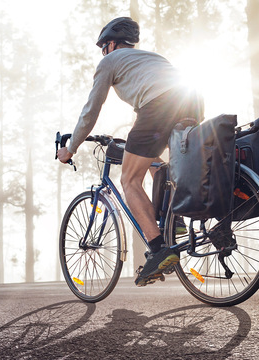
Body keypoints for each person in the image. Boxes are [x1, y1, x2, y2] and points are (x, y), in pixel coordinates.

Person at [57, 17, 204, 286]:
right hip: (192, 101)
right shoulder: (150, 58)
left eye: (104, 47)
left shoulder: (109, 62)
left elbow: (91, 111)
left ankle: (159, 249)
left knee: (129, 180)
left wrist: (70, 147)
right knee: (157, 163)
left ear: (112, 44)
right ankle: (176, 219)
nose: (103, 52)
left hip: (158, 106)